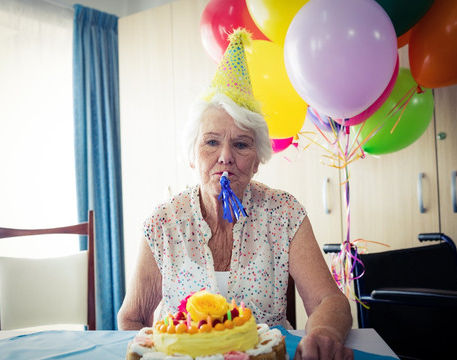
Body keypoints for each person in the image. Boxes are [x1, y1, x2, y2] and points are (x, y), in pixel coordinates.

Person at [117, 29, 353, 360]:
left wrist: (324, 333)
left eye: (240, 145)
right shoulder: (163, 223)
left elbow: (330, 301)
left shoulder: (283, 212)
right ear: (192, 155)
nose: (225, 156)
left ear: (256, 162)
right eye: (211, 142)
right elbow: (131, 318)